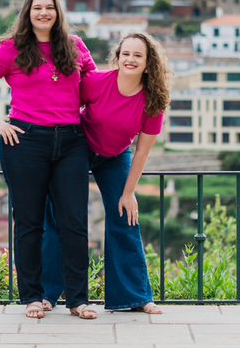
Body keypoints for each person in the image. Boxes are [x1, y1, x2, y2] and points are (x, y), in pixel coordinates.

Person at [0, 0, 98, 319]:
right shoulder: (12, 49)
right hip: (25, 142)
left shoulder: (75, 46)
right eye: (37, 7)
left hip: (71, 142)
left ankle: (78, 300)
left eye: (49, 7)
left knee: (74, 224)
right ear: (28, 12)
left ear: (58, 12)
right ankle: (33, 298)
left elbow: (95, 87)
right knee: (29, 223)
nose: (43, 13)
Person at [42, 32, 171, 314]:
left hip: (115, 156)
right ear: (117, 57)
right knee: (60, 217)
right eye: (126, 54)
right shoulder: (97, 82)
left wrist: (128, 193)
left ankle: (135, 297)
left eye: (138, 55)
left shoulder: (153, 100)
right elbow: (64, 106)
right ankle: (47, 294)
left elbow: (142, 151)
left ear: (148, 64)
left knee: (125, 217)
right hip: (78, 148)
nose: (130, 59)